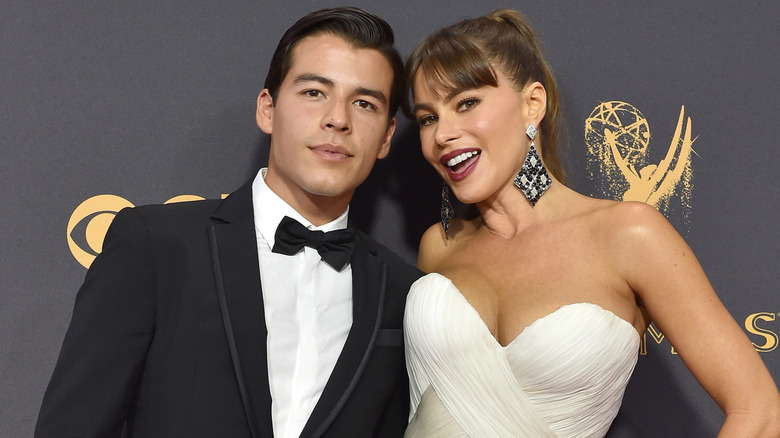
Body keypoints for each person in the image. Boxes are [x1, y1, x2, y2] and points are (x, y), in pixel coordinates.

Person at [35, 7, 421, 438]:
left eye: (364, 103)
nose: (338, 119)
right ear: (267, 110)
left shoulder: (404, 291)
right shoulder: (156, 246)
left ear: (386, 137)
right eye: (314, 92)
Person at [402, 9, 780, 437]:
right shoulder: (440, 246)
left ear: (532, 104)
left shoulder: (629, 235)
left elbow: (760, 410)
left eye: (466, 103)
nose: (442, 134)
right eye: (428, 118)